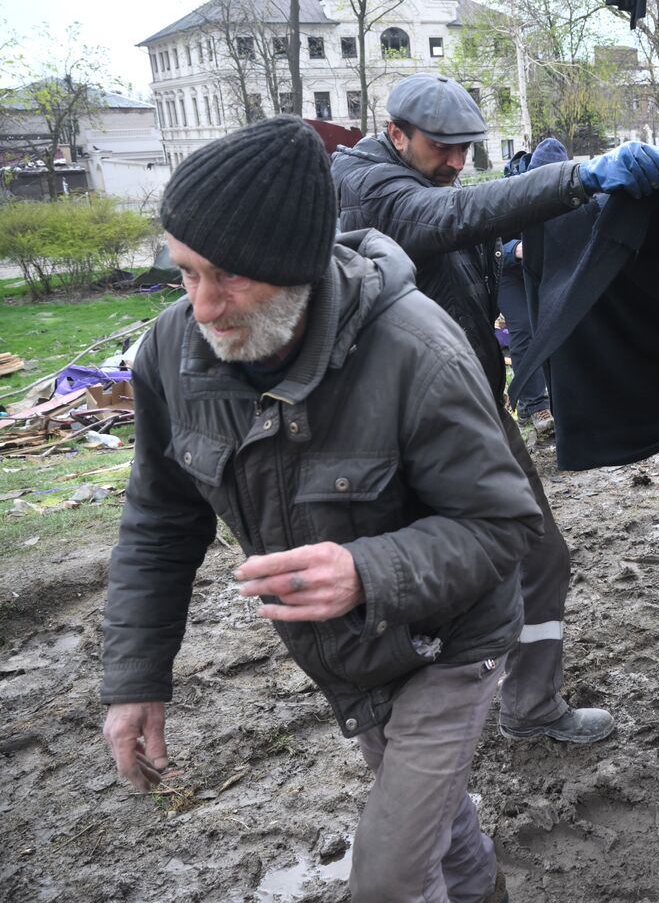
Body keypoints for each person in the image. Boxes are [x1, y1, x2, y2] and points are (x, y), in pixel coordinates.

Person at [101, 116, 537, 902]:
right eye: (185, 273)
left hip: (451, 640)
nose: (202, 306)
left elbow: (503, 524)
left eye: (227, 277)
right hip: (348, 654)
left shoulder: (418, 352)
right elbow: (159, 522)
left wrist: (367, 569)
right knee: (437, 828)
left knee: (390, 874)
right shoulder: (172, 353)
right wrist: (136, 678)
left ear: (297, 270)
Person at [333, 74, 659, 743]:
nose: (457, 164)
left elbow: (468, 236)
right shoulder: (367, 186)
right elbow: (443, 219)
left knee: (538, 557)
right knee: (438, 584)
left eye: (467, 149)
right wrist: (581, 177)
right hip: (402, 432)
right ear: (396, 134)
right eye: (443, 148)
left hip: (472, 408)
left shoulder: (422, 178)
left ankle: (530, 707)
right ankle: (420, 737)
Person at [499, 138, 570, 438]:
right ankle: (537, 404)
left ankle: (557, 400)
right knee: (524, 329)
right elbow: (484, 241)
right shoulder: (508, 194)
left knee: (556, 328)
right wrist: (515, 248)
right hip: (508, 271)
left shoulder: (569, 188)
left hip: (545, 269)